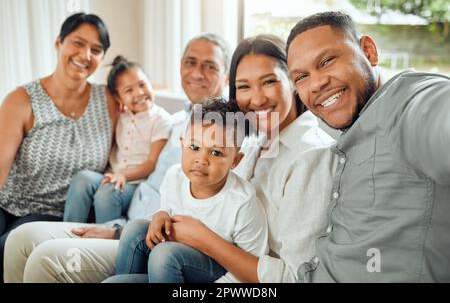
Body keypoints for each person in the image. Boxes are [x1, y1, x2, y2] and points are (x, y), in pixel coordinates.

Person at [108, 34, 338, 283]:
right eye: (244, 87)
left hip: (244, 279)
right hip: (195, 261)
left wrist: (202, 239)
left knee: (164, 256)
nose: (257, 99)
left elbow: (296, 278)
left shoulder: (312, 156)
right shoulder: (254, 142)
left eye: (269, 81)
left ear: (293, 80)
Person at [4, 33, 230, 283]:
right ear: (180, 67)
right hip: (123, 220)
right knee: (20, 238)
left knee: (45, 259)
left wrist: (118, 231)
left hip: (143, 237)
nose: (197, 73)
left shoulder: (223, 135)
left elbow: (200, 212)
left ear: (226, 77)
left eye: (210, 66)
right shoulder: (175, 121)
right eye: (190, 62)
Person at [285, 11, 450, 282]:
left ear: (369, 52)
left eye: (327, 61)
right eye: (301, 77)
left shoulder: (405, 104)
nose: (316, 84)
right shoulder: (348, 127)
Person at [0, 12, 116, 281]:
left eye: (96, 50)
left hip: (60, 214)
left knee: (6, 248)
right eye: (77, 43)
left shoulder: (108, 100)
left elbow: (141, 118)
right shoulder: (21, 100)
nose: (85, 55)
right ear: (58, 43)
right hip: (9, 204)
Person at [110, 99, 268, 283]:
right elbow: (169, 208)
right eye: (194, 147)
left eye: (216, 152)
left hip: (216, 273)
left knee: (164, 254)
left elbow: (254, 272)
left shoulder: (243, 202)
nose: (201, 160)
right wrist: (161, 214)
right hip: (171, 269)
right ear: (182, 144)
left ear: (235, 161)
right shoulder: (174, 176)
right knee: (135, 230)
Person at [63, 56, 172, 223]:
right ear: (119, 98)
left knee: (108, 191)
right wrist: (113, 173)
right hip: (113, 176)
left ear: (151, 84)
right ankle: (68, 230)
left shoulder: (161, 119)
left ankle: (105, 239)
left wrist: (122, 175)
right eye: (129, 90)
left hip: (135, 183)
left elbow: (151, 163)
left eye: (142, 84)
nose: (139, 93)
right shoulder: (122, 115)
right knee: (82, 178)